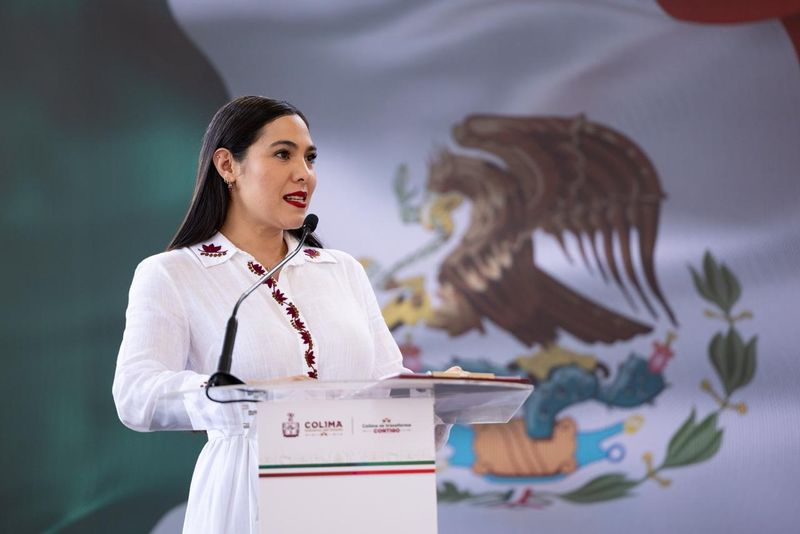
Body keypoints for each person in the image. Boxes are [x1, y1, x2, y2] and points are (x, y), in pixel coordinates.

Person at [112, 96, 451, 533]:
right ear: (227, 166)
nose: (303, 174)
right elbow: (136, 394)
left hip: (361, 489)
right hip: (247, 492)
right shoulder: (174, 273)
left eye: (310, 158)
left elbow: (386, 384)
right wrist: (245, 398)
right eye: (282, 154)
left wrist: (437, 396)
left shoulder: (341, 270)